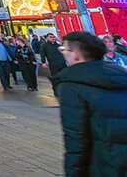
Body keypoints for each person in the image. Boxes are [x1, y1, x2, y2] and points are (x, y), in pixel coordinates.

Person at [54, 31, 127, 177]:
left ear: (76, 54)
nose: (63, 53)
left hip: (103, 165)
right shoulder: (120, 75)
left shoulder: (71, 85)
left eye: (64, 49)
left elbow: (76, 140)